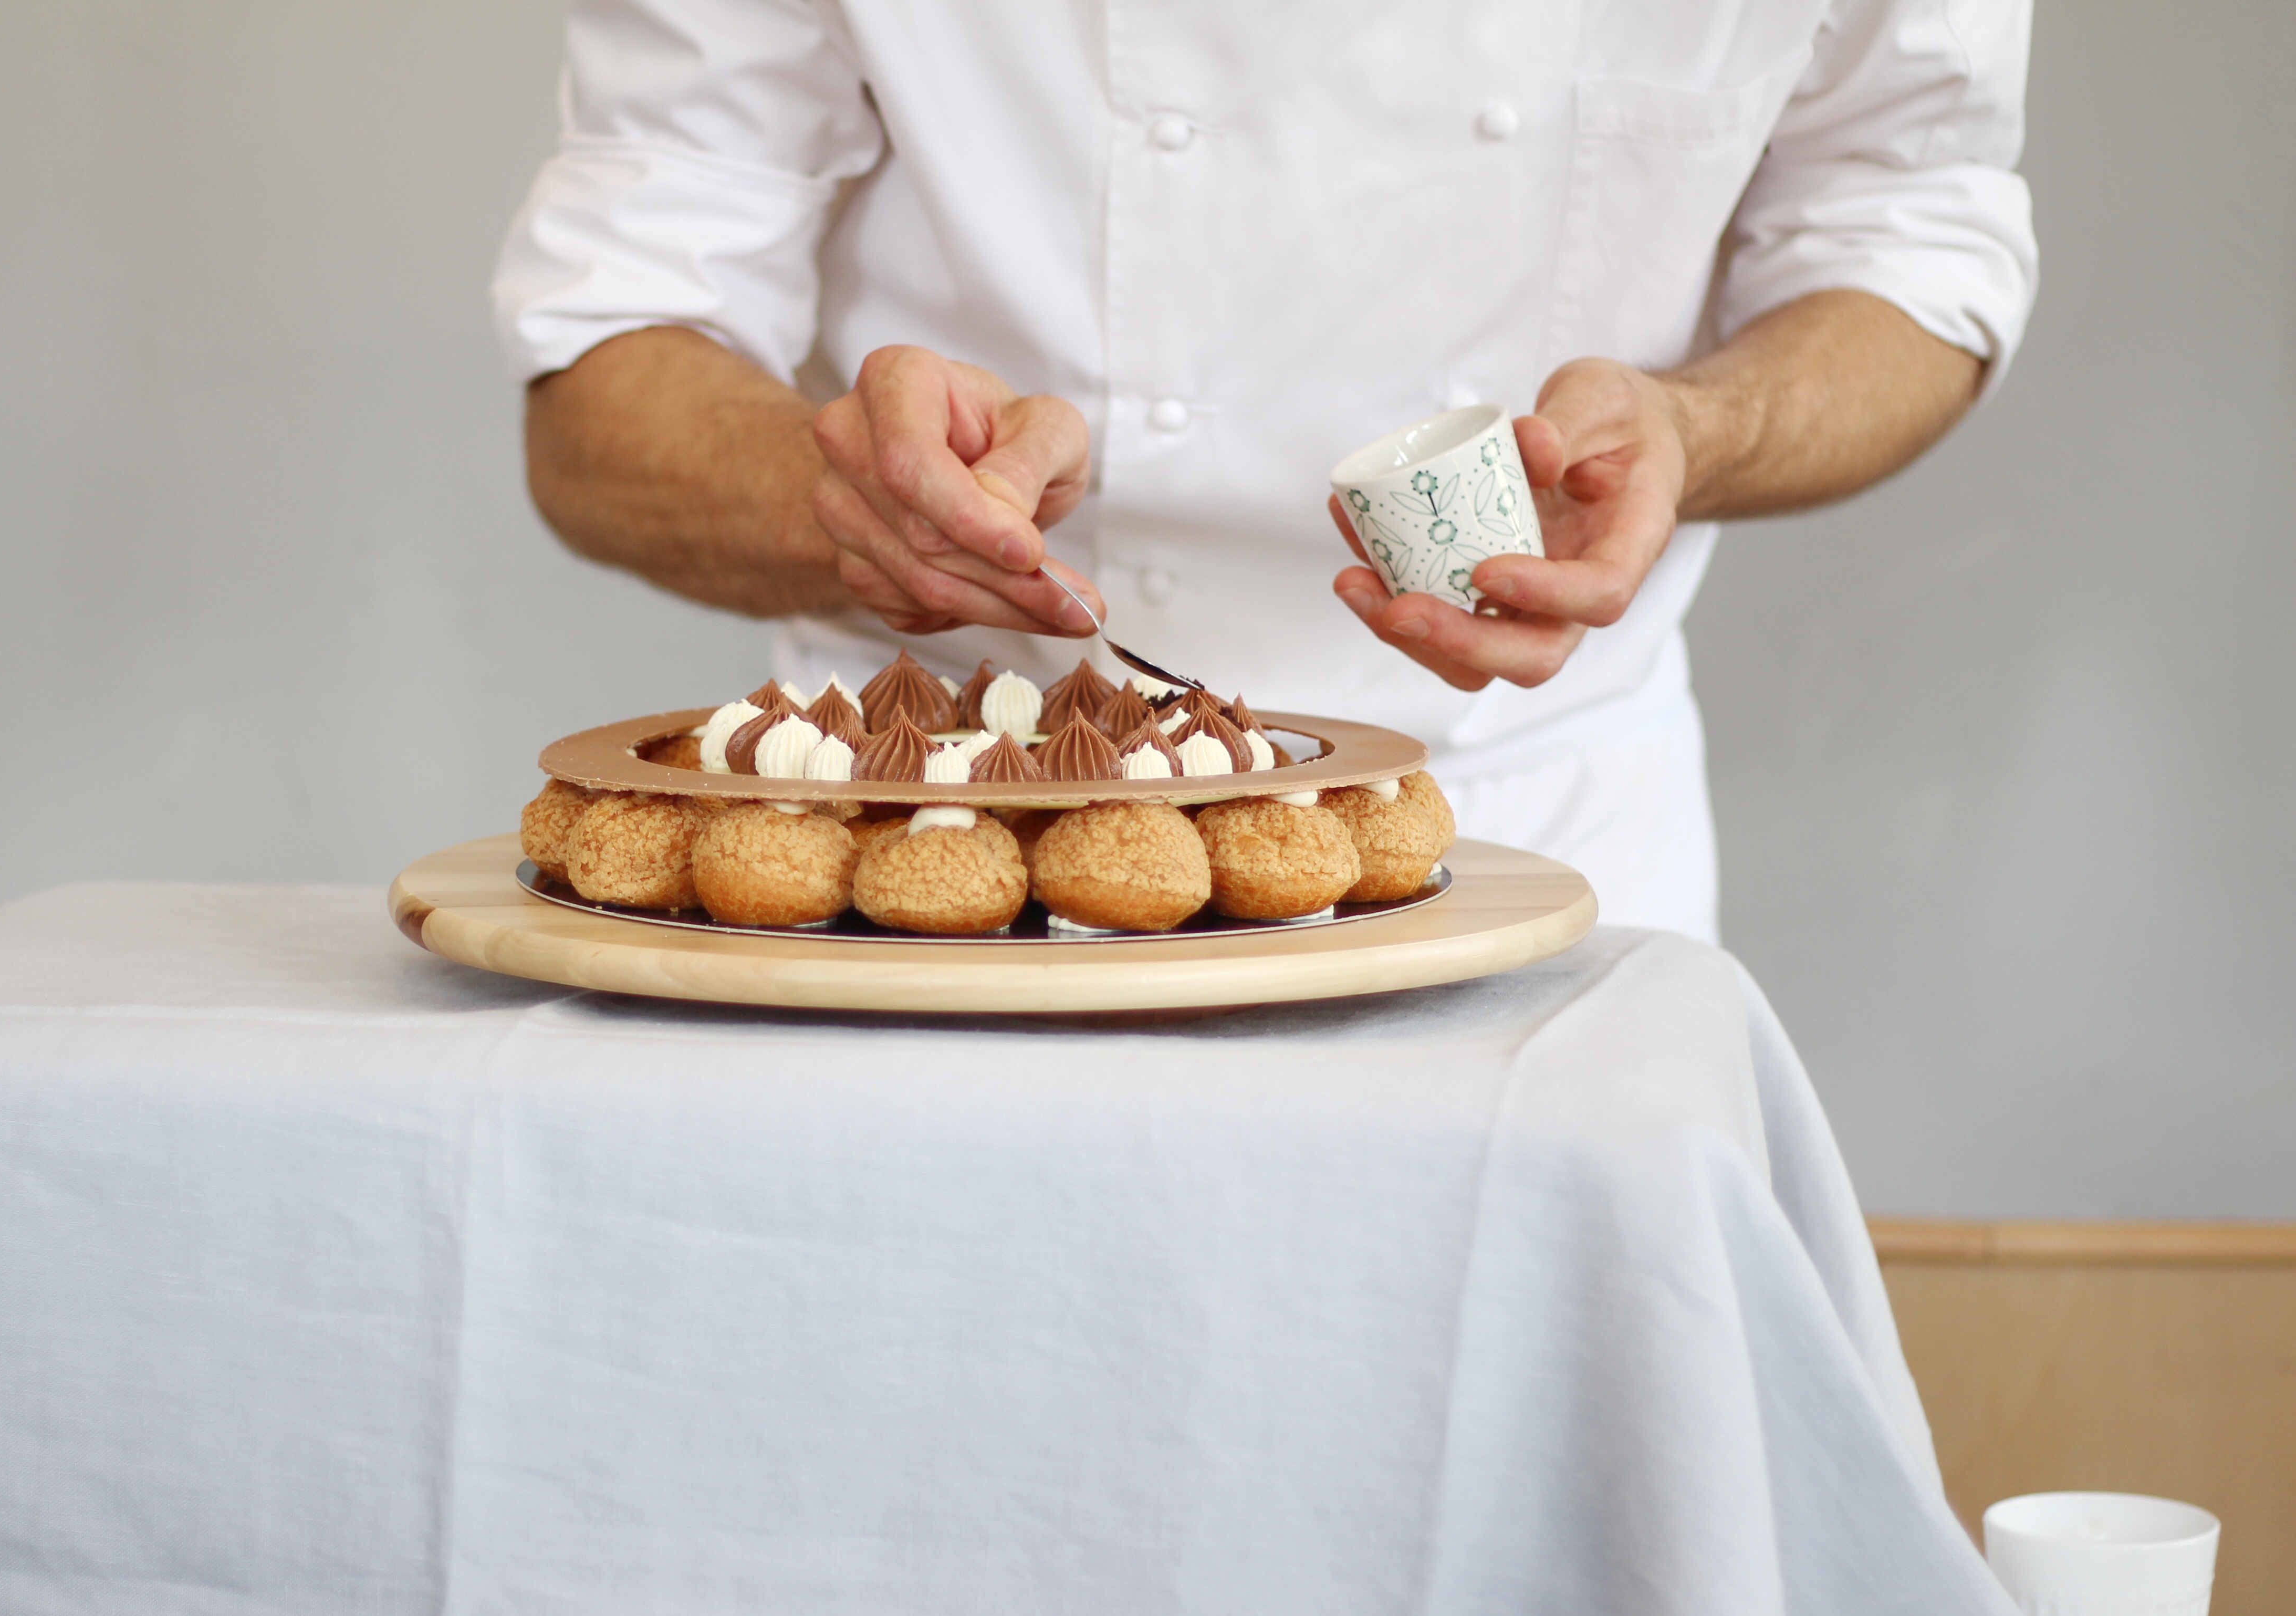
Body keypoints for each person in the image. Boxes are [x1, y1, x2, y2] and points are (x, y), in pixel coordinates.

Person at [494, 0, 2034, 941]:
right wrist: (849, 505)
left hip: (1526, 828)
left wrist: (1701, 428)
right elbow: (605, 389)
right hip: (941, 833)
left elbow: (1911, 228)